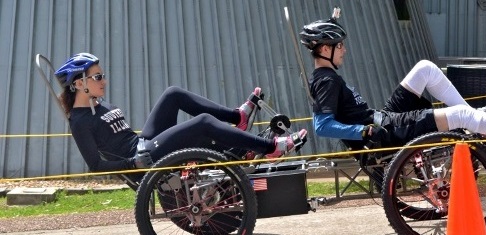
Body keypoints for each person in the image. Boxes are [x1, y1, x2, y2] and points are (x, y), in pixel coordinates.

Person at [299, 18, 486, 151]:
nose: (344, 50)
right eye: (340, 46)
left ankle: (473, 121)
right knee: (460, 114)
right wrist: (363, 131)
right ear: (325, 48)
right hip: (384, 131)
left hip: (383, 118)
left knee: (426, 69)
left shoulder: (328, 77)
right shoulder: (326, 81)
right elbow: (322, 126)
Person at [54, 52, 307, 180]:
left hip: (143, 142)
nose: (104, 81)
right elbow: (96, 166)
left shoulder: (99, 104)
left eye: (102, 75)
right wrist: (132, 165)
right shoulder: (79, 121)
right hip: (141, 160)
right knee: (203, 124)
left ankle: (237, 116)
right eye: (98, 77)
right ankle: (272, 147)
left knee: (173, 94)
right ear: (78, 84)